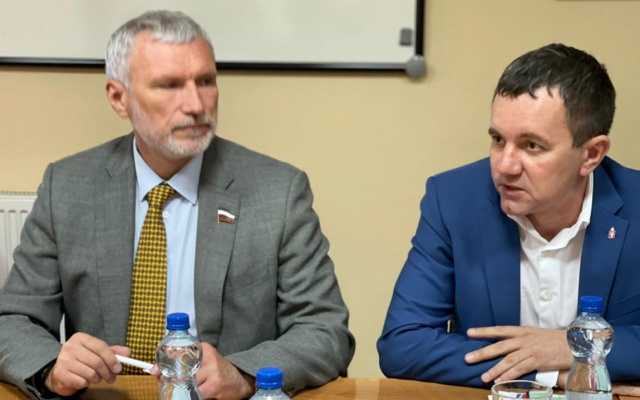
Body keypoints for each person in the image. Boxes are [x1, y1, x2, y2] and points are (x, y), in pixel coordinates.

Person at [0, 10, 354, 400]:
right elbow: (12, 320)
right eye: (169, 85)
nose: (196, 104)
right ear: (119, 98)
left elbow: (325, 331)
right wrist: (52, 367)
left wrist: (242, 373)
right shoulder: (67, 186)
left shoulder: (278, 191)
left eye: (205, 81)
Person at [377, 43, 640, 396]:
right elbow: (403, 344)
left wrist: (567, 346)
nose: (505, 166)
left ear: (592, 154)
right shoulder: (453, 200)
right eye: (498, 140)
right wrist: (554, 373)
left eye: (532, 146)